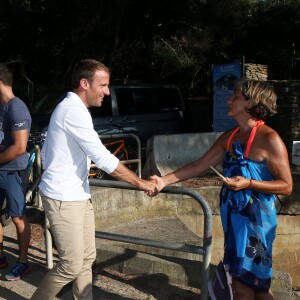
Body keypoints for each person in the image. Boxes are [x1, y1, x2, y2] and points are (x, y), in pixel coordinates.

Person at [149, 80, 293, 300]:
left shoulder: (269, 138)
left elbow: (287, 185)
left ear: (250, 102)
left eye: (234, 96)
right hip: (234, 220)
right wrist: (163, 181)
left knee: (244, 284)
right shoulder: (230, 136)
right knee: (256, 286)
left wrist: (249, 183)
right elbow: (199, 165)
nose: (229, 100)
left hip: (256, 224)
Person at [30, 59, 157, 300]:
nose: (107, 92)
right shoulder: (71, 111)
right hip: (63, 198)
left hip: (77, 194)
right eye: (103, 85)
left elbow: (50, 151)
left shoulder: (76, 109)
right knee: (70, 265)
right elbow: (102, 156)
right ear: (84, 83)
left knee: (86, 259)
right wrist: (141, 183)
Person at [0, 63, 32, 280]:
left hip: (13, 172)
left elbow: (19, 147)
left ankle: (23, 262)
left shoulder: (17, 107)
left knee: (18, 217)